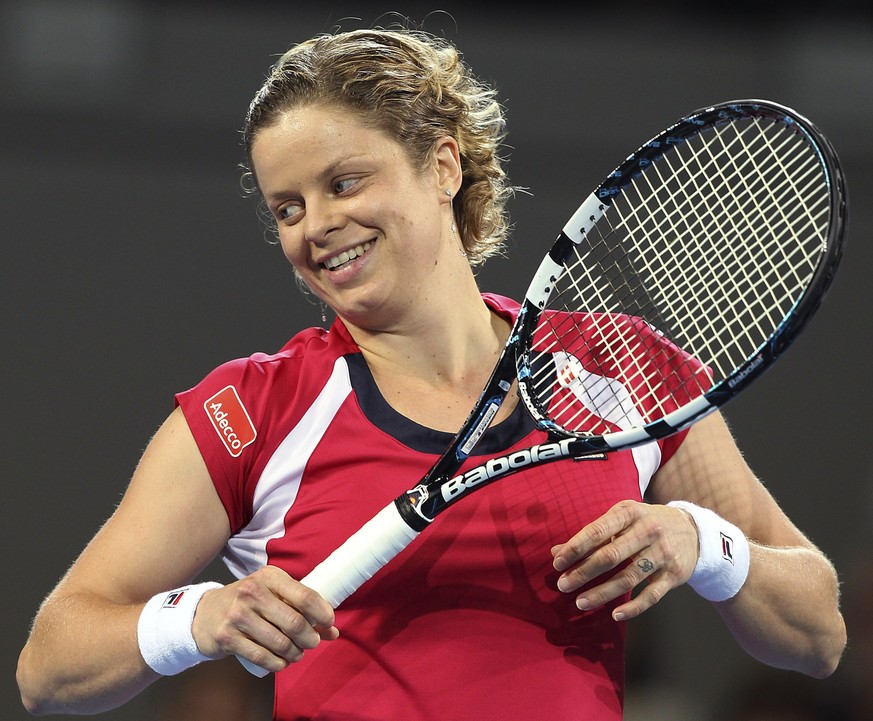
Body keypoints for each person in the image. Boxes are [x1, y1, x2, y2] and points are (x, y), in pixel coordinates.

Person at [16, 27, 847, 720]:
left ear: (443, 166)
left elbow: (817, 632)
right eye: (287, 207)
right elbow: (48, 666)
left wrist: (702, 542)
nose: (316, 226)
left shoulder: (620, 365)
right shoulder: (254, 410)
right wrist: (200, 615)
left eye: (343, 182)